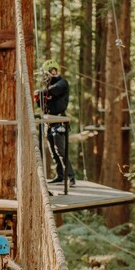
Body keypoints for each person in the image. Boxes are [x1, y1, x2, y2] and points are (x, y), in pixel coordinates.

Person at [36, 59, 76, 187]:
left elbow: (54, 90)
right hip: (49, 122)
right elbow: (41, 103)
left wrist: (40, 93)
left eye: (49, 72)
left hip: (59, 121)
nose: (47, 75)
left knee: (60, 151)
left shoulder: (62, 83)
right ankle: (60, 175)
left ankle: (71, 177)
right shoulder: (47, 87)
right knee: (53, 152)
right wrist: (39, 96)